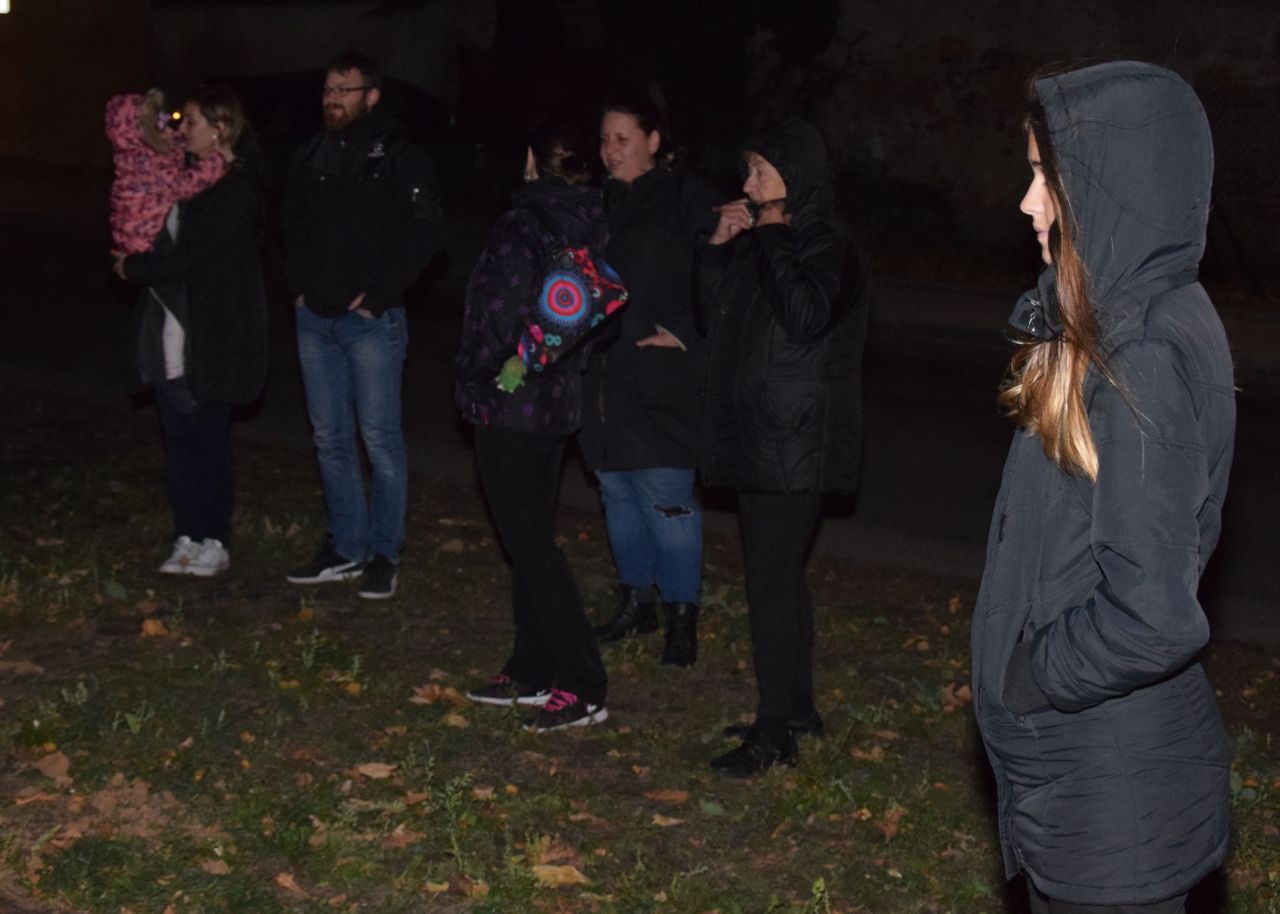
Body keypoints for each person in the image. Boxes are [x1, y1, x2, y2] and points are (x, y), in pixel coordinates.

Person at [971, 61, 1234, 914]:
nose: (1028, 203)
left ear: (1110, 185)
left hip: (1114, 801)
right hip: (1089, 782)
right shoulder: (1116, 320)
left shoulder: (1141, 354)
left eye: (1045, 176)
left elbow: (1152, 616)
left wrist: (1028, 676)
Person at [696, 118, 867, 778]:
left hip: (795, 439)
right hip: (760, 433)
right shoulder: (767, 239)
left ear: (795, 177)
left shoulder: (827, 242)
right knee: (779, 575)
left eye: (761, 172)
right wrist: (718, 250)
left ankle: (774, 733)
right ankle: (796, 709)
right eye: (748, 171)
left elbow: (804, 316)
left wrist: (770, 236)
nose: (748, 184)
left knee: (769, 582)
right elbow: (717, 321)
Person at [455, 114, 610, 732]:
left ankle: (583, 683)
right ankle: (532, 664)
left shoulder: (523, 225)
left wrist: (476, 378)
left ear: (529, 161)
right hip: (556, 404)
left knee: (533, 548)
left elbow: (498, 313)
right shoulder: (588, 219)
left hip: (512, 402)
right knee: (530, 538)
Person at [283, 50, 446, 600]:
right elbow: (288, 224)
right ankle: (346, 547)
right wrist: (297, 286)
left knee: (379, 439)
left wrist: (379, 295)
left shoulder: (400, 156)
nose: (332, 98)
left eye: (344, 90)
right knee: (330, 438)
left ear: (371, 96)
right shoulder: (312, 152)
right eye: (328, 89)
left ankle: (384, 552)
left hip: (370, 324)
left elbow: (427, 233)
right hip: (315, 319)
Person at [578, 100, 722, 666]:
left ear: (654, 140)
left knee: (666, 497)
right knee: (616, 490)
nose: (610, 151)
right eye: (604, 140)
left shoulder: (685, 196)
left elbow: (721, 269)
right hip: (605, 372)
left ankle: (681, 615)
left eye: (623, 138)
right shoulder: (599, 203)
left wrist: (687, 332)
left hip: (661, 373)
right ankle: (636, 601)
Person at [113, 85, 267, 577]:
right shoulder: (185, 180)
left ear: (219, 129)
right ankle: (186, 534)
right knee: (178, 438)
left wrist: (137, 270)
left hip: (212, 336)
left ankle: (213, 539)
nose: (182, 131)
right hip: (171, 331)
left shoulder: (233, 191)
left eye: (193, 123)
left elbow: (202, 261)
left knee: (207, 439)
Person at [106, 89, 225, 255]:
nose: (171, 130)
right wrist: (217, 160)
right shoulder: (143, 164)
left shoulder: (147, 154)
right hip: (145, 239)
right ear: (142, 134)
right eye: (160, 127)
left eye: (165, 121)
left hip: (147, 235)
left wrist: (180, 140)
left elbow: (172, 149)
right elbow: (183, 185)